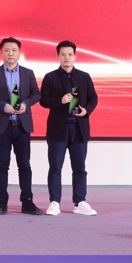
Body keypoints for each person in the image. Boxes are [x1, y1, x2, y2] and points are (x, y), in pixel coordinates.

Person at [0, 37, 43, 216]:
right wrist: (2, 105)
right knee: (2, 164)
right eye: (7, 50)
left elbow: (36, 94)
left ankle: (27, 201)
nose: (10, 53)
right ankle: (2, 202)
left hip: (22, 126)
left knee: (24, 165)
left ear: (19, 52)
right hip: (3, 126)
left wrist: (26, 103)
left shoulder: (28, 73)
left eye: (14, 50)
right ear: (1, 52)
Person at [40, 40, 99, 216]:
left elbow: (93, 98)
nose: (67, 57)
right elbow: (43, 100)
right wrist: (60, 100)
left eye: (70, 54)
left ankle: (80, 202)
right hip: (58, 129)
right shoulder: (50, 77)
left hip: (79, 128)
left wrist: (86, 110)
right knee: (55, 167)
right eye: (63, 54)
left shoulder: (84, 77)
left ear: (75, 56)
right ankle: (54, 202)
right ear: (58, 56)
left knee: (79, 167)